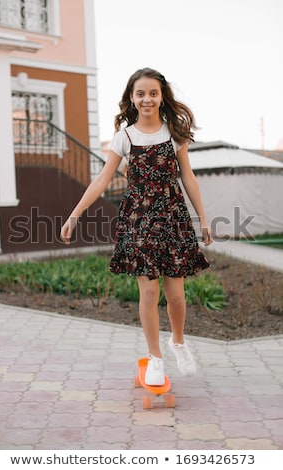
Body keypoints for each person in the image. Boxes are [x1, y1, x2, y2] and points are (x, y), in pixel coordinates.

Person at [61, 67, 213, 386]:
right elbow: (102, 179)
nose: (147, 99)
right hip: (139, 220)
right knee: (149, 289)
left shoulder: (174, 132)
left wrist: (203, 217)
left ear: (161, 97)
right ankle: (155, 357)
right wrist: (75, 214)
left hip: (173, 217)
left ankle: (179, 341)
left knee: (176, 295)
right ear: (132, 98)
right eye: (140, 93)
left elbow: (188, 177)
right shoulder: (125, 137)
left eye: (153, 93)